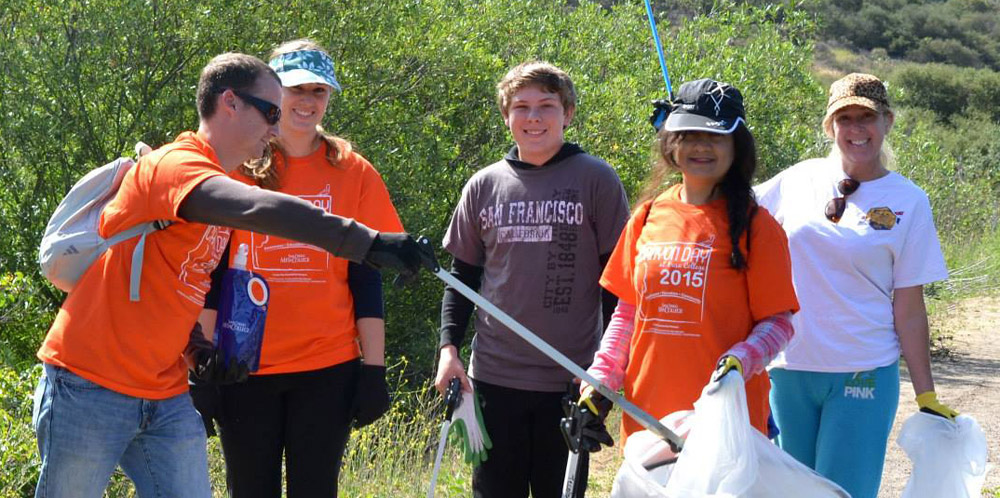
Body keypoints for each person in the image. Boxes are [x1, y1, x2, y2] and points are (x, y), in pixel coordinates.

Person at [31, 52, 424, 498]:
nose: (277, 128)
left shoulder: (226, 177)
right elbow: (257, 208)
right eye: (271, 112)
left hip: (164, 392)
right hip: (89, 383)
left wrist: (200, 353)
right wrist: (366, 242)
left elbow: (183, 282)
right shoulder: (176, 166)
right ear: (230, 103)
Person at [193, 39, 405, 497]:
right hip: (242, 365)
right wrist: (200, 364)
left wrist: (374, 369)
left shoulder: (353, 171)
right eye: (296, 90)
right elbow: (211, 272)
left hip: (326, 365)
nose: (307, 102)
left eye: (319, 91)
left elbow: (366, 276)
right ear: (273, 92)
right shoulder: (235, 168)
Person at [754, 72, 958, 498]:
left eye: (866, 117)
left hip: (862, 370)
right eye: (844, 118)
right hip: (789, 370)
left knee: (843, 493)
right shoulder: (796, 180)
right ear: (830, 127)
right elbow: (733, 211)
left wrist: (926, 393)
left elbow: (910, 306)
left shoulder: (909, 201)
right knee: (785, 492)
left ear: (888, 122)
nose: (856, 129)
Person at [433, 61, 630, 498]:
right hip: (493, 379)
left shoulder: (597, 179)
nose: (534, 117)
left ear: (569, 113)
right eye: (521, 107)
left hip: (570, 383)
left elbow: (618, 286)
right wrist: (448, 350)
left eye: (546, 105)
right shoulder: (483, 185)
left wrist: (606, 371)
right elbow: (461, 278)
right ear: (506, 116)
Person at [582, 79, 800, 443]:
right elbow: (628, 314)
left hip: (727, 424)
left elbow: (779, 324)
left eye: (715, 136)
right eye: (688, 135)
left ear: (737, 145)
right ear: (670, 143)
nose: (701, 146)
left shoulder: (757, 227)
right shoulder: (647, 215)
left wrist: (742, 359)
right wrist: (600, 382)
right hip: (647, 418)